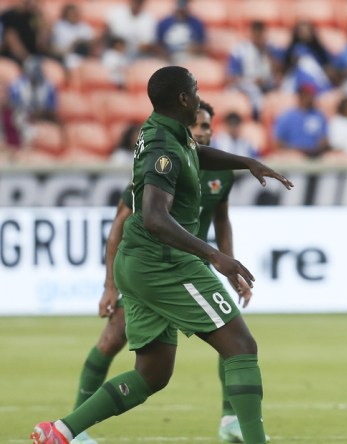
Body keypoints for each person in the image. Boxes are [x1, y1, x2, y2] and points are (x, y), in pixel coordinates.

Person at [31, 65, 293, 444]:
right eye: (196, 89)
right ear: (184, 99)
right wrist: (216, 256)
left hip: (141, 261)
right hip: (163, 261)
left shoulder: (168, 130)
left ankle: (61, 431)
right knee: (240, 346)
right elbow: (154, 217)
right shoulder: (161, 147)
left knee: (152, 374)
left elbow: (195, 154)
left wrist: (246, 161)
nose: (200, 95)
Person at [66, 101, 265, 444]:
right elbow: (120, 226)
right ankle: (77, 428)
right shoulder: (161, 164)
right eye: (198, 126)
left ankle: (229, 417)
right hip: (157, 266)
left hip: (189, 266)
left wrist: (228, 266)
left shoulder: (219, 173)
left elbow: (222, 221)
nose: (203, 132)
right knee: (114, 340)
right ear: (186, 125)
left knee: (159, 371)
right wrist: (109, 285)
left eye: (208, 127)